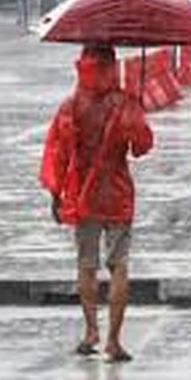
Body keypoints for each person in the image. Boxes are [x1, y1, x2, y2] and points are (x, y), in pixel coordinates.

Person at [40, 44, 153, 362]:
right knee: (119, 265)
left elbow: (58, 153)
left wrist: (56, 195)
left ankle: (91, 331)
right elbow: (141, 147)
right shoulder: (123, 103)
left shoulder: (71, 106)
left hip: (84, 194)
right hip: (117, 192)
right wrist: (137, 111)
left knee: (86, 265)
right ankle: (113, 341)